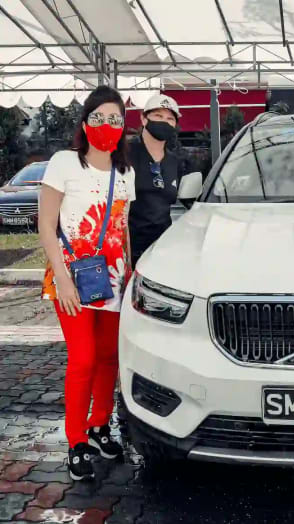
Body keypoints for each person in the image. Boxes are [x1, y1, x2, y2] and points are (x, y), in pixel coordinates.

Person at [38, 86, 136, 481]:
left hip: (112, 279)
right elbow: (45, 224)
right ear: (85, 123)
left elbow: (122, 227)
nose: (106, 125)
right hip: (72, 277)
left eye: (115, 119)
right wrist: (61, 278)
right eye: (99, 117)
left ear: (122, 127)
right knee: (82, 359)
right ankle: (76, 440)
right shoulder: (64, 163)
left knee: (108, 358)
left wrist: (129, 273)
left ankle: (99, 425)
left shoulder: (125, 172)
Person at [128, 93, 182, 269]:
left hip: (162, 248)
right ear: (144, 119)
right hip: (129, 247)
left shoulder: (174, 161)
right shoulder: (125, 154)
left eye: (170, 118)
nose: (164, 122)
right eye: (158, 116)